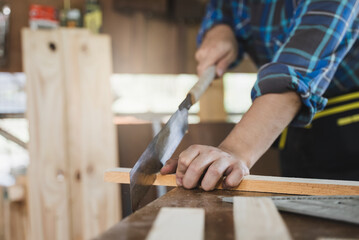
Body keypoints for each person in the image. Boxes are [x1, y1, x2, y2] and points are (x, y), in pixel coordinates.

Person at [161, 0, 359, 190]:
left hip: (349, 124)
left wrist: (233, 151)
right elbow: (224, 9)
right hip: (288, 123)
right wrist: (221, 30)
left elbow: (295, 73)